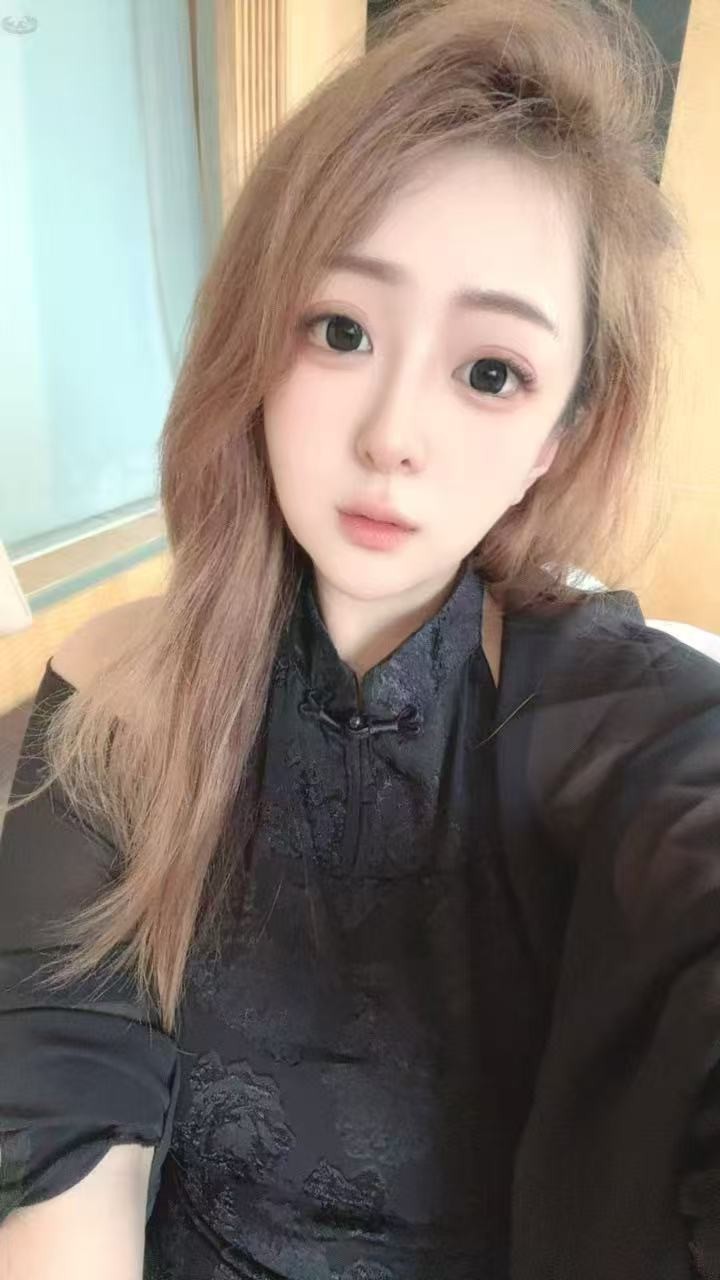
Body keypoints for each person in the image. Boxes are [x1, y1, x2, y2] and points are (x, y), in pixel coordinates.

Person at [1, 0, 719, 1276]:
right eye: (343, 330)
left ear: (551, 441)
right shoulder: (120, 692)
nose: (394, 434)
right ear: (257, 345)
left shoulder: (626, 722)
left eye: (490, 372)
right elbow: (61, 1148)